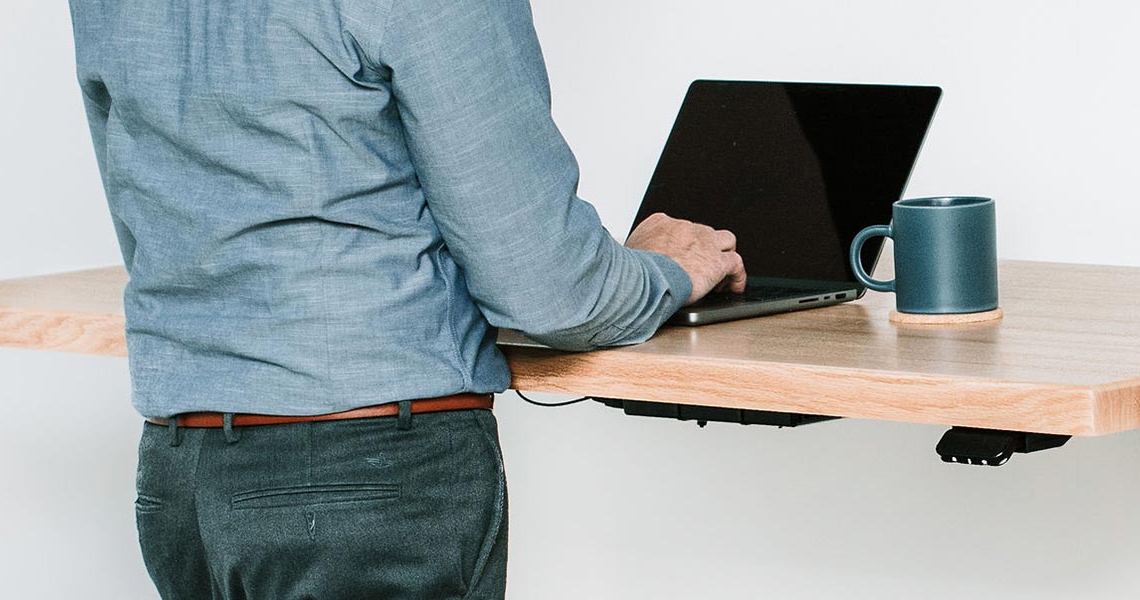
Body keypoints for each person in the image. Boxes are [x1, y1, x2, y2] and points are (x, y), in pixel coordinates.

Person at [65, 0, 747, 597]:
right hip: (365, 477)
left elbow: (155, 224)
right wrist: (665, 269)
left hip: (181, 480)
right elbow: (553, 295)